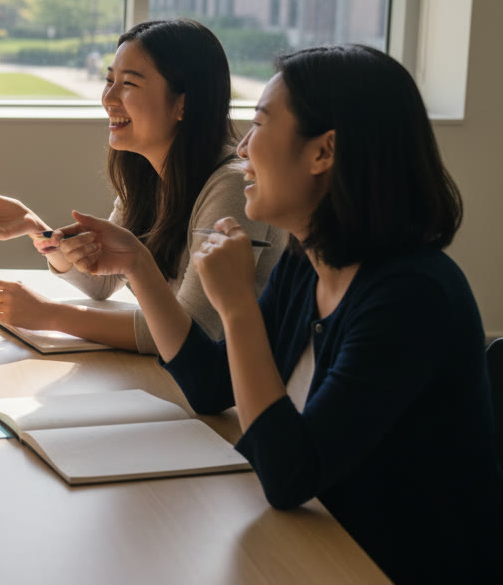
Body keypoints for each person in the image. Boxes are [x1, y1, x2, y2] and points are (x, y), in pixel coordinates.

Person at [79, 44, 501, 581]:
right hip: (319, 542)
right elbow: (211, 386)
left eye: (260, 125)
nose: (243, 151)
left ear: (323, 152)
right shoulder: (308, 263)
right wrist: (138, 266)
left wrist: (237, 308)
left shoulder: (411, 297)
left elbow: (289, 474)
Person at [0, 19, 284, 353]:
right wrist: (38, 230)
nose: (108, 98)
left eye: (128, 84)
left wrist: (50, 316)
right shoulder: (149, 176)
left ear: (184, 103)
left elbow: (193, 331)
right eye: (109, 80)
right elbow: (103, 280)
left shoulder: (232, 185)